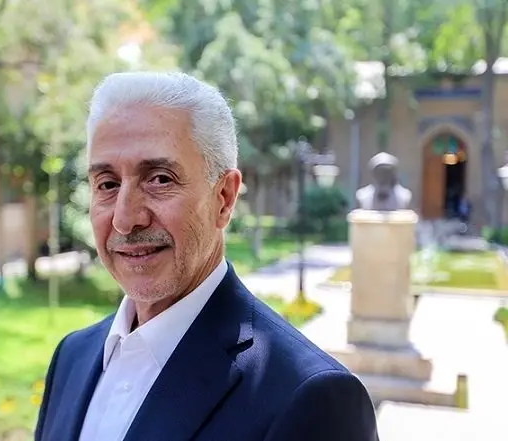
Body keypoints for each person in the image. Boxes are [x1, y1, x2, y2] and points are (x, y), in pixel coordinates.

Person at [34, 72, 378, 441]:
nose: (125, 218)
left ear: (224, 198)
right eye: (107, 184)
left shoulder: (313, 398)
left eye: (160, 179)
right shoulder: (72, 357)